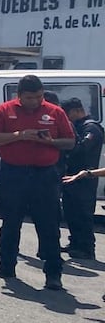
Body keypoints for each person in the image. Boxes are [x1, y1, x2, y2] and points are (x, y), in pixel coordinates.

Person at [0, 74, 75, 290]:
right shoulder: (5, 110)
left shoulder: (55, 112)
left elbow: (70, 142)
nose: (35, 101)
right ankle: (7, 265)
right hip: (13, 174)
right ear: (19, 96)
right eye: (30, 97)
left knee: (48, 225)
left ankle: (53, 274)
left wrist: (51, 142)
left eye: (39, 97)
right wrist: (20, 135)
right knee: (10, 222)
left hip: (44, 175)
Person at [57, 97, 102, 260]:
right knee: (71, 212)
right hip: (71, 176)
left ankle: (86, 247)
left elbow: (82, 148)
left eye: (68, 114)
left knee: (83, 213)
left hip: (85, 177)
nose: (67, 118)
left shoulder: (92, 128)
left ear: (77, 110)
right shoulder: (77, 126)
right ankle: (75, 242)